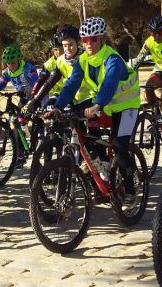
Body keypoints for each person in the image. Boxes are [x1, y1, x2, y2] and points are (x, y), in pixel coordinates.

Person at [50, 16, 140, 184]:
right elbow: (71, 85)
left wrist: (97, 104)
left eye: (93, 40)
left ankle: (130, 187)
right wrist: (58, 106)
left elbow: (109, 84)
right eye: (85, 40)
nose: (89, 44)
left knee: (119, 145)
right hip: (105, 104)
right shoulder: (83, 59)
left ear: (102, 39)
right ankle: (100, 163)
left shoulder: (112, 59)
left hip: (126, 106)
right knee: (81, 129)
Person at [28, 26, 89, 110]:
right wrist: (36, 100)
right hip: (68, 96)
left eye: (71, 45)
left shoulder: (86, 57)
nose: (67, 49)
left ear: (77, 43)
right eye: (64, 46)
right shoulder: (60, 60)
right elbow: (49, 82)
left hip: (88, 99)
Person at [130, 15, 162, 107]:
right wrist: (128, 73)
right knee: (148, 87)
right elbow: (139, 59)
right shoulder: (149, 42)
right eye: (154, 33)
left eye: (160, 33)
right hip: (160, 70)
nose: (157, 36)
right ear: (150, 33)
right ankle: (155, 113)